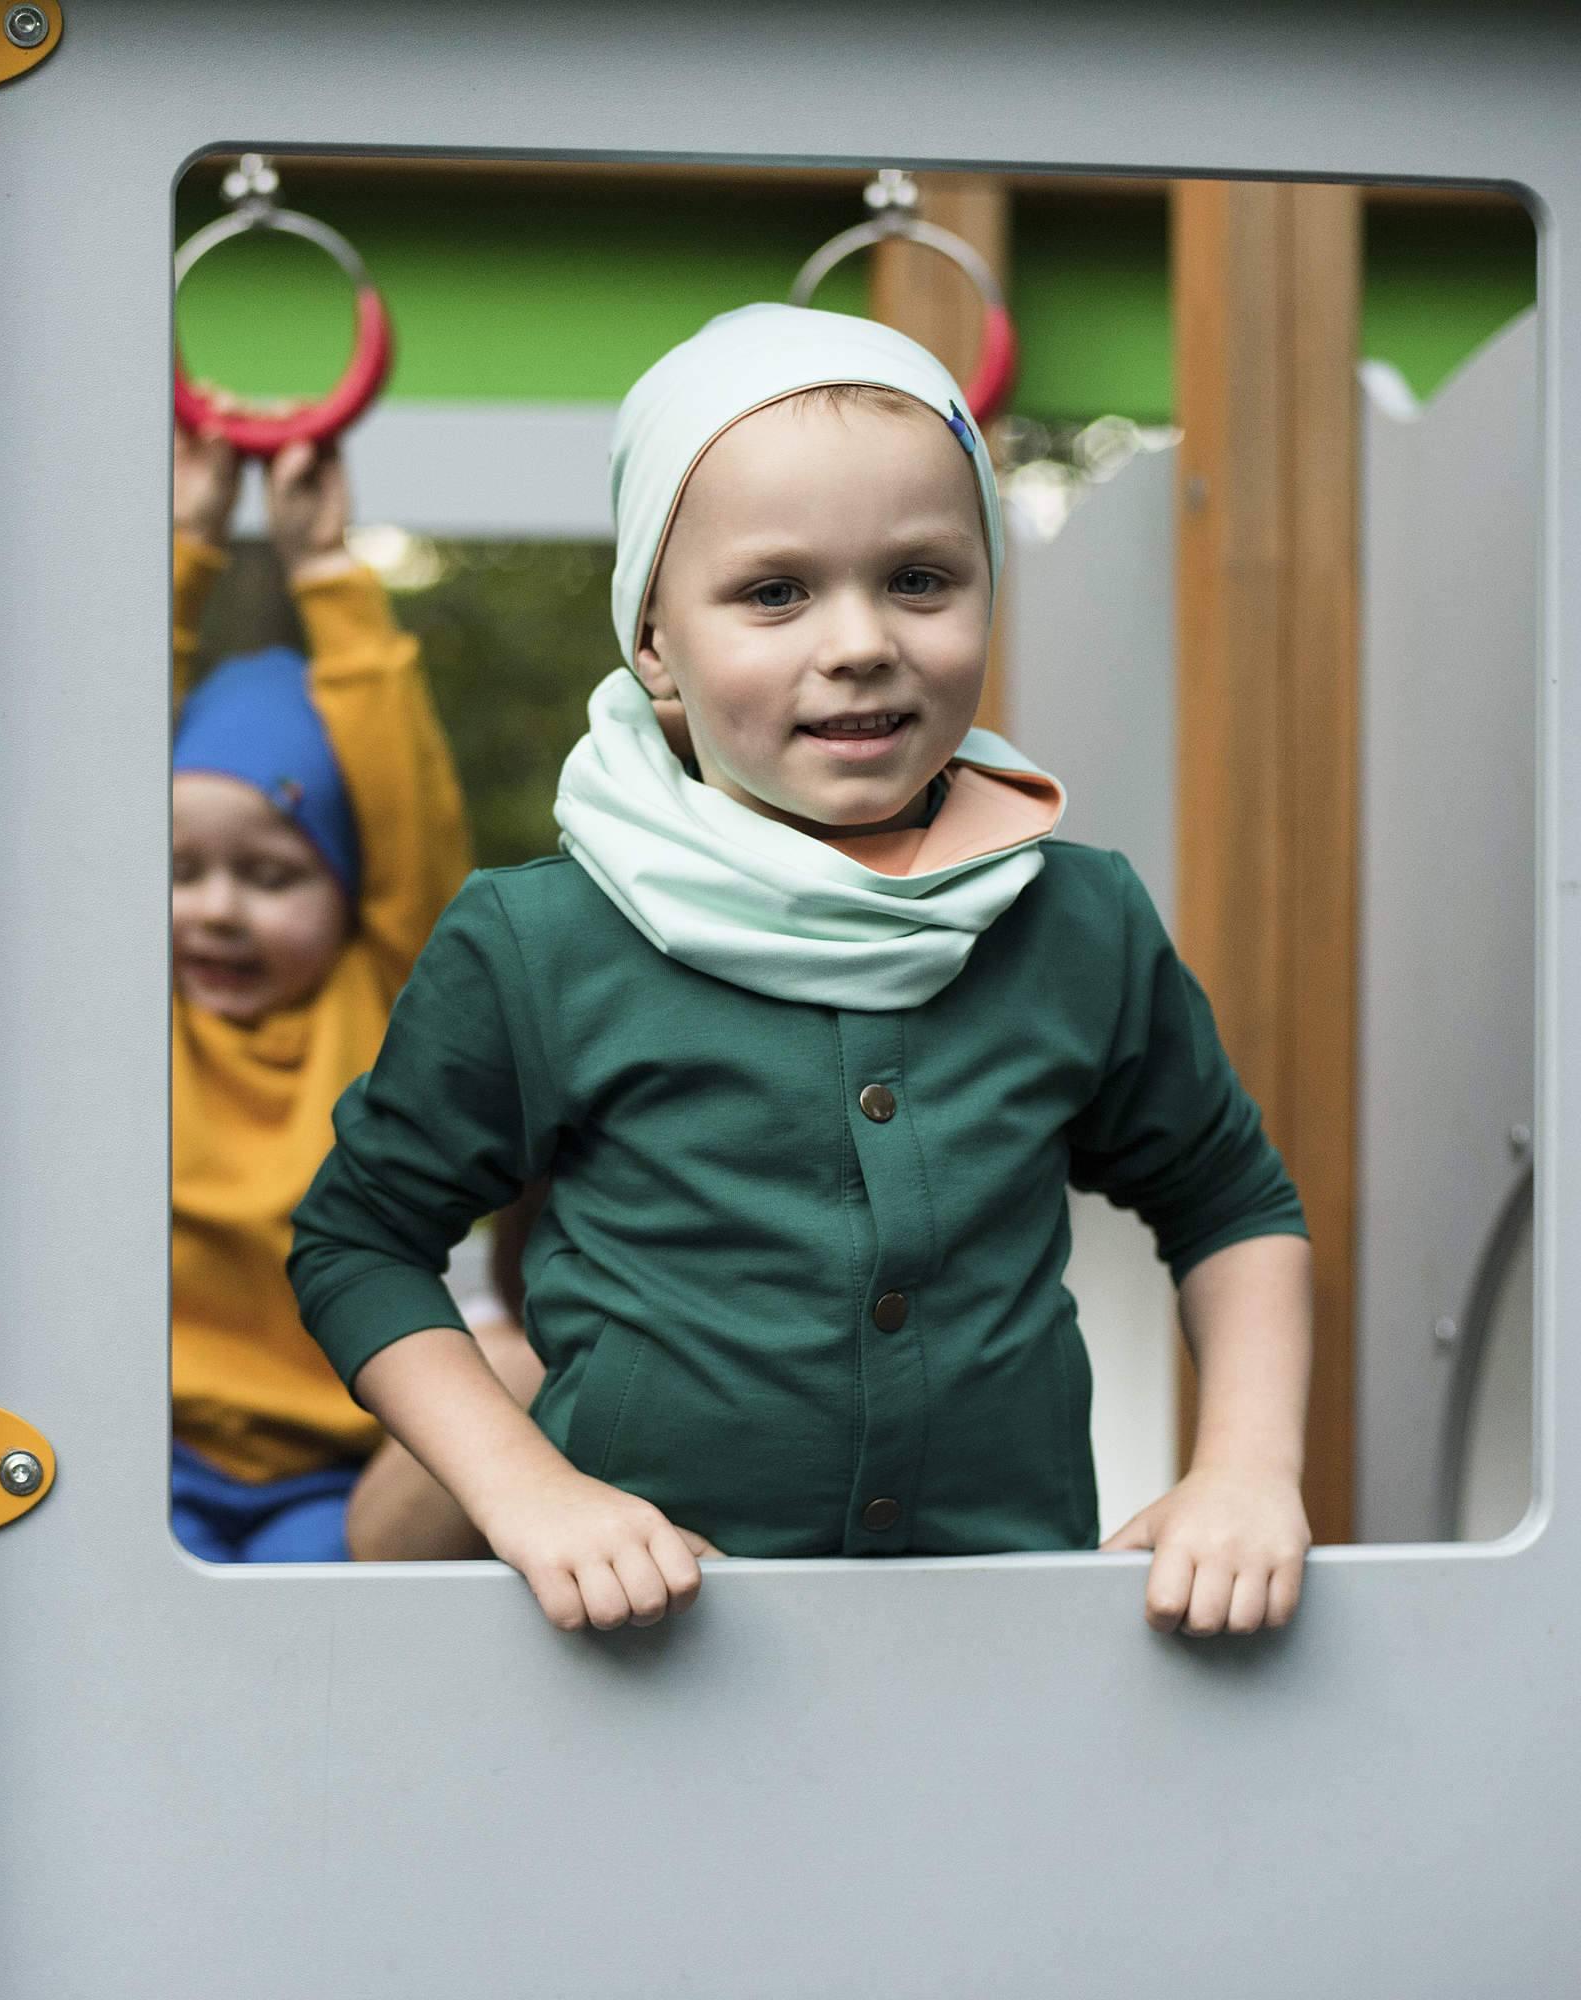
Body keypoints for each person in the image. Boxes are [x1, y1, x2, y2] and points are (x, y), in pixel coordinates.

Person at [287, 303, 1314, 1636]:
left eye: (922, 579)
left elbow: (1231, 1202)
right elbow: (359, 1240)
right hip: (640, 1657)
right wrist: (530, 1494)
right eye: (775, 592)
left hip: (1001, 1639)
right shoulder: (540, 941)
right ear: (656, 640)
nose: (860, 640)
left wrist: (1244, 1470)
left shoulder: (1078, 920)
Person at [169, 412, 540, 1564]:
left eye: (271, 873)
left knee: (301, 1656)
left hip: (338, 1472)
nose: (217, 906)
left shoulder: (378, 1003)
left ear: (349, 894)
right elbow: (73, 757)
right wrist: (186, 536)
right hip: (146, 1451)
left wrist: (323, 566)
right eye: (179, 869)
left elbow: (403, 797)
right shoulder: (129, 1020)